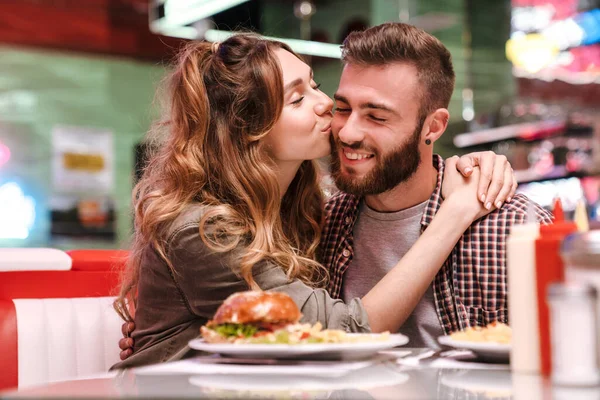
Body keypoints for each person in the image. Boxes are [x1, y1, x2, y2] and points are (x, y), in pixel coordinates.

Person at [112, 33, 517, 368]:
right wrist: (456, 212)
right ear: (249, 131)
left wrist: (468, 169)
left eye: (316, 85)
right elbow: (343, 334)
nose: (328, 106)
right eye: (297, 99)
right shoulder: (202, 229)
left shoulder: (306, 205)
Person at [319, 22, 553, 347]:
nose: (347, 133)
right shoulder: (318, 228)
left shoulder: (511, 227)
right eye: (342, 109)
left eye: (376, 116)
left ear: (433, 126)